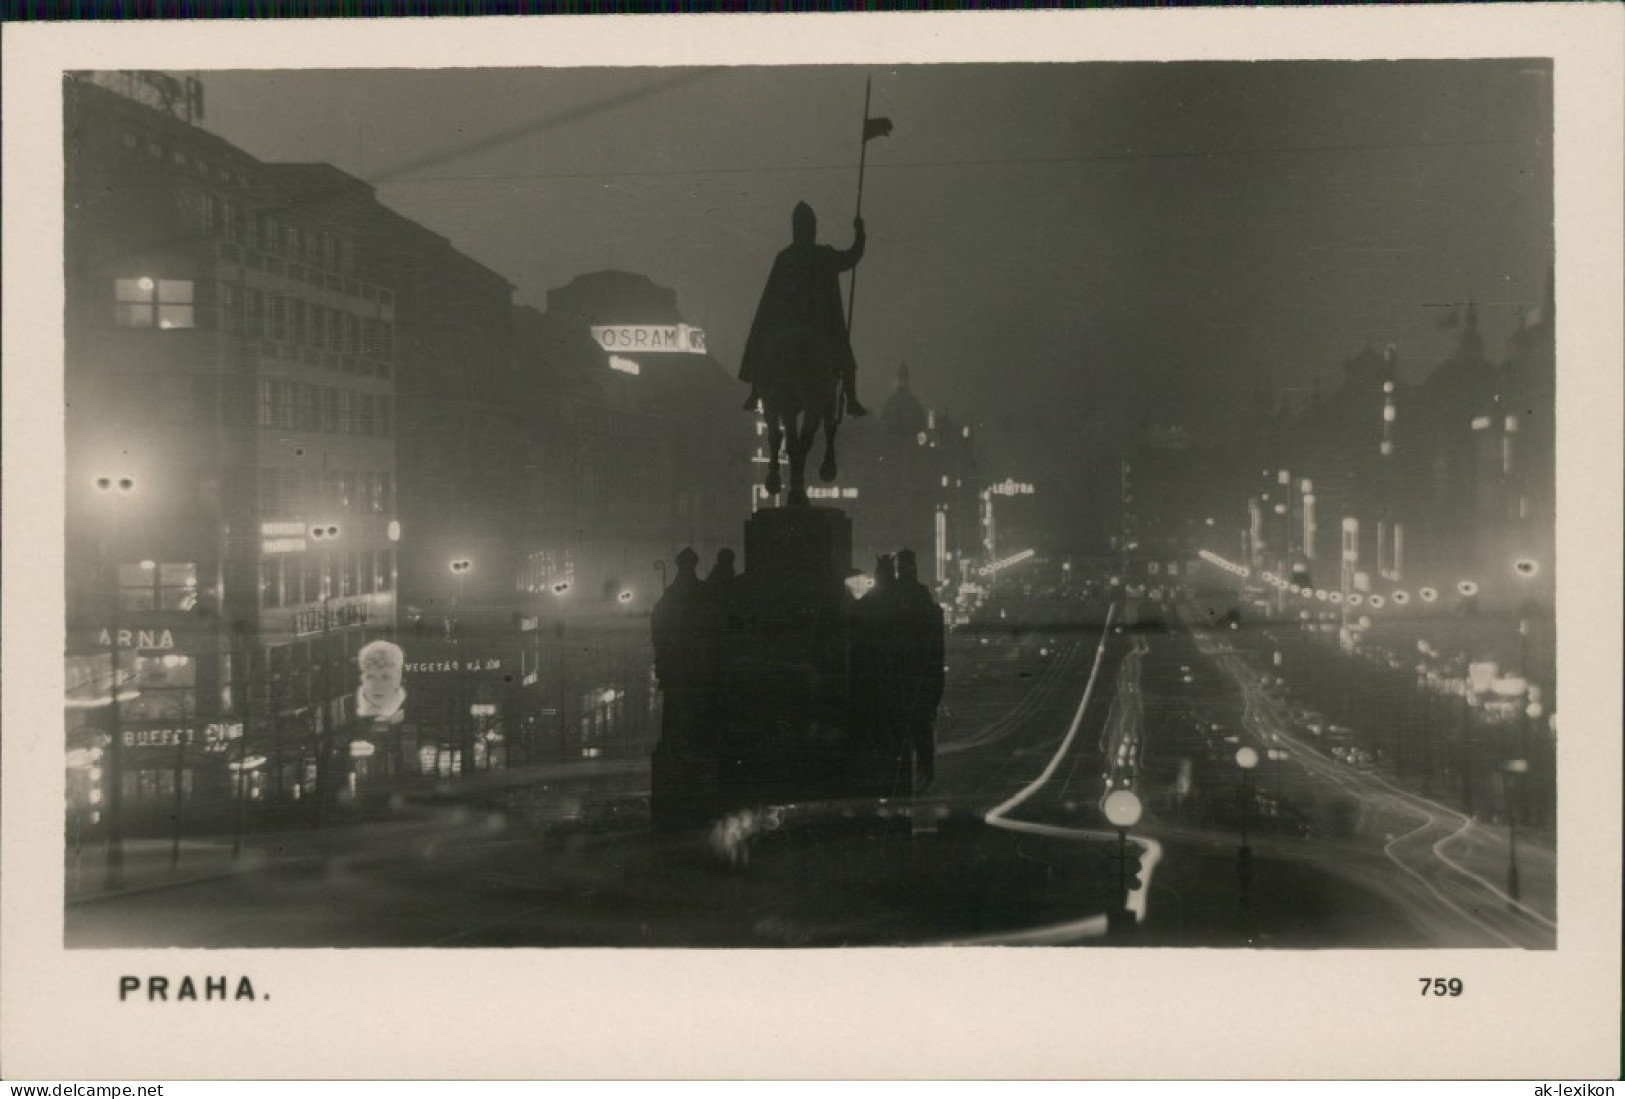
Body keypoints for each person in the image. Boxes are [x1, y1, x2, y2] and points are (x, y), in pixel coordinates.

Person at [739, 201, 868, 418]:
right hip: (818, 325)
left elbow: (770, 299)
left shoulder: (784, 258)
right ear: (811, 228)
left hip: (785, 324)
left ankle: (756, 392)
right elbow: (853, 256)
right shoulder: (823, 256)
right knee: (845, 357)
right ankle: (851, 400)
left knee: (762, 343)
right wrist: (860, 233)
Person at [894, 549, 945, 790]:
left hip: (903, 673)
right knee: (920, 727)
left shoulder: (897, 594)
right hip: (919, 674)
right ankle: (925, 770)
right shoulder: (920, 594)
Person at [355, 639, 407, 723]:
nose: (377, 686)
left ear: (398, 677)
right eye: (370, 677)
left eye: (385, 677)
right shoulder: (349, 709)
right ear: (362, 678)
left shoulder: (407, 711)